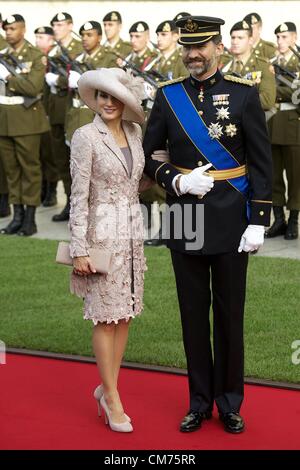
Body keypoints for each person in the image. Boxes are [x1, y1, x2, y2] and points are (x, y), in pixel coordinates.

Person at [143, 16, 272, 434]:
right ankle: (198, 401)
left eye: (200, 47)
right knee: (192, 313)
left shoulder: (244, 94)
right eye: (187, 48)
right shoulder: (168, 96)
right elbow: (149, 155)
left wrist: (259, 220)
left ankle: (230, 401)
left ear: (217, 46)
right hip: (184, 212)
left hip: (231, 214)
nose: (192, 55)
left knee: (230, 313)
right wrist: (176, 180)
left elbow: (261, 164)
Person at [69, 68, 147, 433]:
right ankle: (113, 398)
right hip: (99, 237)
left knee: (125, 314)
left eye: (116, 97)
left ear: (125, 102)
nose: (109, 103)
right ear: (95, 99)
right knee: (104, 316)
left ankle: (106, 387)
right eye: (103, 96)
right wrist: (78, 248)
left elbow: (135, 182)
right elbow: (78, 195)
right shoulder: (85, 137)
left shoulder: (135, 133)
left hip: (131, 236)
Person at [0, 14, 50, 236]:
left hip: (27, 120)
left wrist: (9, 78)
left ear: (23, 29)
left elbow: (33, 88)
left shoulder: (35, 55)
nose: (9, 32)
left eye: (13, 28)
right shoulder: (4, 55)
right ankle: (16, 215)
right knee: (11, 171)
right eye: (6, 29)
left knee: (29, 169)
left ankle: (29, 219)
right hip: (4, 119)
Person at [46, 12, 83, 222]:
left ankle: (79, 206)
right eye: (55, 25)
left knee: (77, 163)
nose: (57, 28)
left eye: (60, 24)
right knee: (62, 161)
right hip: (58, 111)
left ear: (70, 26)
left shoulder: (79, 49)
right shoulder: (54, 50)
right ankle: (70, 202)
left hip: (74, 110)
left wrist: (59, 80)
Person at [266, 22, 300, 240]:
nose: (280, 41)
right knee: (273, 175)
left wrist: (275, 91)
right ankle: (278, 218)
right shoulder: (269, 64)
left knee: (295, 176)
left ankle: (294, 221)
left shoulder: (297, 62)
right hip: (271, 123)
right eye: (278, 37)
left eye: (285, 37)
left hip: (293, 124)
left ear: (294, 37)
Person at [64, 21, 117, 144]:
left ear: (99, 37)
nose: (84, 38)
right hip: (75, 119)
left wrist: (83, 80)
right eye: (82, 35)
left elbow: (111, 91)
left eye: (89, 35)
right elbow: (70, 97)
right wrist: (67, 125)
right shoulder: (77, 60)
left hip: (96, 120)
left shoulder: (109, 59)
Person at [221, 20, 276, 111]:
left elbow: (267, 101)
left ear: (250, 40)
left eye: (240, 38)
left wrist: (232, 98)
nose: (235, 41)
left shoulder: (262, 65)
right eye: (233, 37)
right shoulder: (224, 65)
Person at [34, 26, 59, 207]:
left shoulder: (55, 59)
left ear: (51, 40)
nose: (37, 41)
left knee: (51, 154)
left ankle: (51, 190)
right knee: (40, 153)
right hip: (38, 111)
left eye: (41, 37)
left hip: (51, 112)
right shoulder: (37, 58)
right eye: (36, 37)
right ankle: (43, 187)